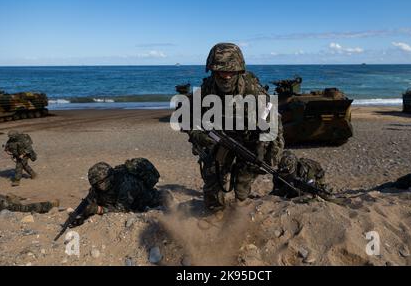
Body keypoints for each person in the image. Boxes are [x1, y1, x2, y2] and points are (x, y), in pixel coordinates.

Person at [186, 43, 284, 211]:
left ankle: (241, 203)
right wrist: (201, 137)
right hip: (219, 138)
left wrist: (263, 146)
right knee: (212, 184)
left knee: (243, 182)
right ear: (213, 71)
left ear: (239, 71)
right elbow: (188, 118)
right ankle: (215, 213)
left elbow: (273, 121)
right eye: (221, 72)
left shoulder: (252, 90)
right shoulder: (207, 89)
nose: (226, 77)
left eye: (231, 72)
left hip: (248, 139)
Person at [70, 158, 170, 226]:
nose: (97, 187)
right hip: (123, 202)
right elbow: (92, 200)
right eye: (94, 184)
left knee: (163, 198)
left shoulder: (126, 183)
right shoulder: (101, 186)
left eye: (99, 183)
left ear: (108, 178)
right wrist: (82, 216)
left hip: (148, 201)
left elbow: (122, 209)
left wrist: (97, 209)